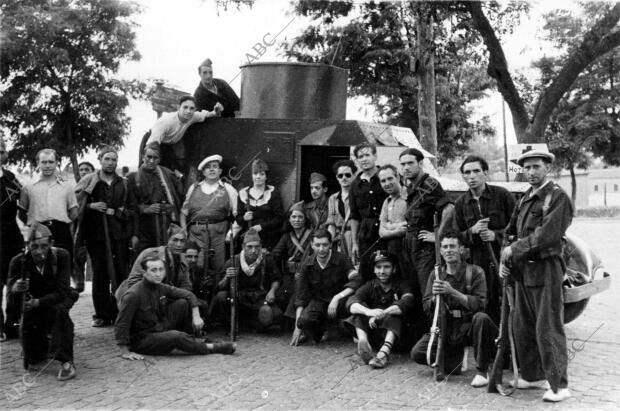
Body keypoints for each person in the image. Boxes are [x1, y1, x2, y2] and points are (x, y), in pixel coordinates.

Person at [500, 147, 573, 402]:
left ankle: (559, 385)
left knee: (548, 327)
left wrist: (513, 249)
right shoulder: (525, 198)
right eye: (527, 168)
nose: (530, 172)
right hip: (523, 270)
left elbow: (547, 235)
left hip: (546, 268)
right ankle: (532, 376)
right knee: (523, 325)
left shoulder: (557, 197)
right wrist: (505, 254)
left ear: (547, 168)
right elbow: (510, 230)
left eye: (536, 167)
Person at [410, 231, 497, 387]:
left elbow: (480, 305)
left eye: (452, 246)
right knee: (418, 353)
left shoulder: (475, 272)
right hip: (447, 327)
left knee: (482, 319)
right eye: (444, 247)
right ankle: (455, 359)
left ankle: (482, 371)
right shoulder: (435, 274)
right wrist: (434, 298)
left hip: (469, 325)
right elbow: (426, 307)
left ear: (461, 249)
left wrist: (452, 292)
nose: (448, 250)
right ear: (441, 251)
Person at [115, 253, 235, 358]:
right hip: (143, 340)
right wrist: (125, 351)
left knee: (182, 303)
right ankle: (211, 347)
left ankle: (196, 339)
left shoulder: (160, 287)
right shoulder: (134, 294)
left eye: (161, 269)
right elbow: (122, 323)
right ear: (145, 273)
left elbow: (189, 295)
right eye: (153, 270)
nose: (158, 274)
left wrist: (196, 315)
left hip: (159, 329)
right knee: (176, 336)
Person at [7, 223, 77, 380]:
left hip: (55, 300)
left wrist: (38, 302)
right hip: (33, 307)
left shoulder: (62, 256)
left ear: (51, 244)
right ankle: (43, 340)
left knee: (60, 313)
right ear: (28, 246)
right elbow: (10, 301)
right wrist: (16, 289)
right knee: (34, 357)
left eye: (44, 246)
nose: (39, 252)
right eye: (35, 246)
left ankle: (67, 362)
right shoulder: (18, 262)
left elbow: (62, 291)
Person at [75, 146, 133, 327]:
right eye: (107, 159)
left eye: (113, 159)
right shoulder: (88, 180)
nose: (110, 163)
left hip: (119, 235)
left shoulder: (123, 183)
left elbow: (132, 210)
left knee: (120, 273)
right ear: (100, 160)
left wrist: (116, 212)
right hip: (96, 236)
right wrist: (91, 207)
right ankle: (101, 314)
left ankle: (118, 312)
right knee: (100, 274)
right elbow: (74, 204)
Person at [454, 155, 515, 325]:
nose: (472, 176)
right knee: (485, 302)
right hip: (478, 262)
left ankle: (510, 341)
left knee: (509, 300)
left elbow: (519, 227)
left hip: (504, 259)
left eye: (476, 171)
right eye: (467, 172)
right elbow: (456, 237)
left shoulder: (502, 195)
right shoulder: (461, 204)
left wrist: (496, 235)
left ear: (485, 173)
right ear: (463, 177)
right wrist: (471, 231)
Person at [290, 229, 361, 346]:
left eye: (325, 245)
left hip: (340, 302)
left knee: (354, 304)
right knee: (303, 321)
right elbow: (300, 296)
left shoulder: (341, 259)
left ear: (330, 244)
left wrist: (337, 297)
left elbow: (356, 280)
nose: (321, 249)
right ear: (312, 245)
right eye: (317, 245)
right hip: (319, 303)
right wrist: (297, 327)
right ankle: (323, 329)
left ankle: (354, 329)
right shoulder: (307, 265)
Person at [345, 250, 414, 369]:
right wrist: (368, 312)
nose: (382, 271)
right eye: (378, 267)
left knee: (395, 313)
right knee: (359, 311)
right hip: (375, 332)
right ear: (374, 269)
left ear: (394, 269)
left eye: (387, 267)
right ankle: (364, 343)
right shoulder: (369, 286)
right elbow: (351, 302)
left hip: (396, 336)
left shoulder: (402, 284)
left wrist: (381, 314)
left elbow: (406, 302)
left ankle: (384, 354)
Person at [399, 148, 453, 295]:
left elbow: (449, 209)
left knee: (428, 292)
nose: (406, 168)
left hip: (426, 250)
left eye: (410, 163)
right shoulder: (411, 187)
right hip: (411, 246)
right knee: (414, 290)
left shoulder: (430, 184)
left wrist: (438, 236)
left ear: (420, 163)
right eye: (403, 164)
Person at [19, 148, 78, 272]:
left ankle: (63, 290)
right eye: (44, 162)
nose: (47, 166)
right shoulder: (28, 187)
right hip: (37, 231)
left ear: (57, 163)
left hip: (61, 231)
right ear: (38, 163)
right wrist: (34, 225)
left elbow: (73, 212)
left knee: (63, 266)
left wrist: (62, 222)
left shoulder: (66, 187)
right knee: (39, 266)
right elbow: (22, 213)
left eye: (51, 162)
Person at [211, 229, 282, 332]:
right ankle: (235, 323)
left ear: (260, 247)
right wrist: (227, 277)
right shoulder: (233, 261)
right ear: (243, 247)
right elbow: (218, 287)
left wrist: (272, 291)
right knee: (221, 297)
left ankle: (248, 323)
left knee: (276, 315)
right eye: (250, 247)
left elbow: (276, 279)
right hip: (238, 299)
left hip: (259, 298)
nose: (253, 250)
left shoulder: (267, 260)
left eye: (257, 247)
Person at [180, 154, 238, 279]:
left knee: (219, 269)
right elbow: (183, 213)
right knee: (196, 268)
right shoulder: (193, 188)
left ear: (220, 171)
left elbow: (238, 216)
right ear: (203, 172)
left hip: (219, 235)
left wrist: (230, 234)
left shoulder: (229, 189)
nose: (212, 170)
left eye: (215, 167)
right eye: (208, 167)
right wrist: (184, 230)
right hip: (196, 235)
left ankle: (214, 296)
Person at [127, 143, 184, 255]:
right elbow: (130, 205)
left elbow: (179, 198)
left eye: (155, 158)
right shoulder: (133, 177)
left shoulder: (168, 174)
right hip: (144, 227)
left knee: (167, 256)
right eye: (149, 157)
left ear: (159, 159)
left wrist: (169, 207)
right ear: (143, 156)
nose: (152, 161)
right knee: (145, 258)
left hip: (165, 225)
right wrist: (145, 209)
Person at [117, 224, 193, 302]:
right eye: (175, 240)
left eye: (182, 241)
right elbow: (133, 281)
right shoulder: (150, 253)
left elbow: (186, 286)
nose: (178, 245)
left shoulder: (183, 260)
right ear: (168, 239)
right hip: (141, 298)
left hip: (166, 299)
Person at [145, 95, 217, 171]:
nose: (188, 111)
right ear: (178, 107)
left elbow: (207, 114)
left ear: (195, 109)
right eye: (185, 107)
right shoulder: (166, 122)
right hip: (153, 143)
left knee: (174, 172)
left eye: (192, 108)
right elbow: (152, 145)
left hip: (168, 146)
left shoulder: (193, 116)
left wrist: (215, 112)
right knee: (149, 169)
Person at [349, 143, 388, 282]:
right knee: (367, 271)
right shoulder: (355, 185)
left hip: (388, 230)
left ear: (375, 156)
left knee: (390, 267)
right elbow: (354, 216)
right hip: (366, 234)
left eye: (367, 155)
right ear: (357, 160)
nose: (364, 159)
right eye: (360, 157)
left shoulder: (387, 176)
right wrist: (354, 243)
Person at [0, 136, 24, 340]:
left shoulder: (10, 177)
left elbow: (23, 205)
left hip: (11, 236)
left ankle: (12, 323)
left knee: (15, 280)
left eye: (1, 151)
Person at [271, 204, 313, 313]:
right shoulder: (287, 236)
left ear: (305, 219)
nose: (297, 220)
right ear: (289, 219)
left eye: (300, 217)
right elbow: (275, 254)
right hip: (290, 274)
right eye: (294, 217)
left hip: (308, 273)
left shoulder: (312, 235)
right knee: (281, 295)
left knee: (299, 294)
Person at [235, 159, 284, 250]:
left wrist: (261, 227)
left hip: (268, 237)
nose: (258, 177)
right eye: (255, 173)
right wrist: (244, 218)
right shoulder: (243, 193)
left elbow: (279, 218)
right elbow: (238, 218)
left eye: (262, 174)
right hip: (248, 237)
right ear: (251, 176)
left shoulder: (273, 193)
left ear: (266, 176)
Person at [378, 164, 408, 282]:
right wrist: (398, 227)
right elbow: (381, 232)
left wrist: (389, 227)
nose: (387, 183)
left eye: (390, 178)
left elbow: (408, 227)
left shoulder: (410, 196)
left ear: (398, 177)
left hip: (408, 248)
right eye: (383, 181)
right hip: (392, 249)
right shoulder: (387, 201)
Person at [326, 159, 356, 258]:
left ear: (354, 175)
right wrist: (329, 241)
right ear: (337, 178)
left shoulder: (358, 196)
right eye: (340, 175)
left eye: (347, 175)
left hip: (354, 237)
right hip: (339, 240)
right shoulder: (333, 198)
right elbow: (331, 224)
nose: (344, 178)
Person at [73, 161, 95, 292]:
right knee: (78, 255)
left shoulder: (97, 186)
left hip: (94, 225)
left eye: (87, 169)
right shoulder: (76, 188)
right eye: (81, 170)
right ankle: (79, 282)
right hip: (79, 226)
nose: (83, 172)